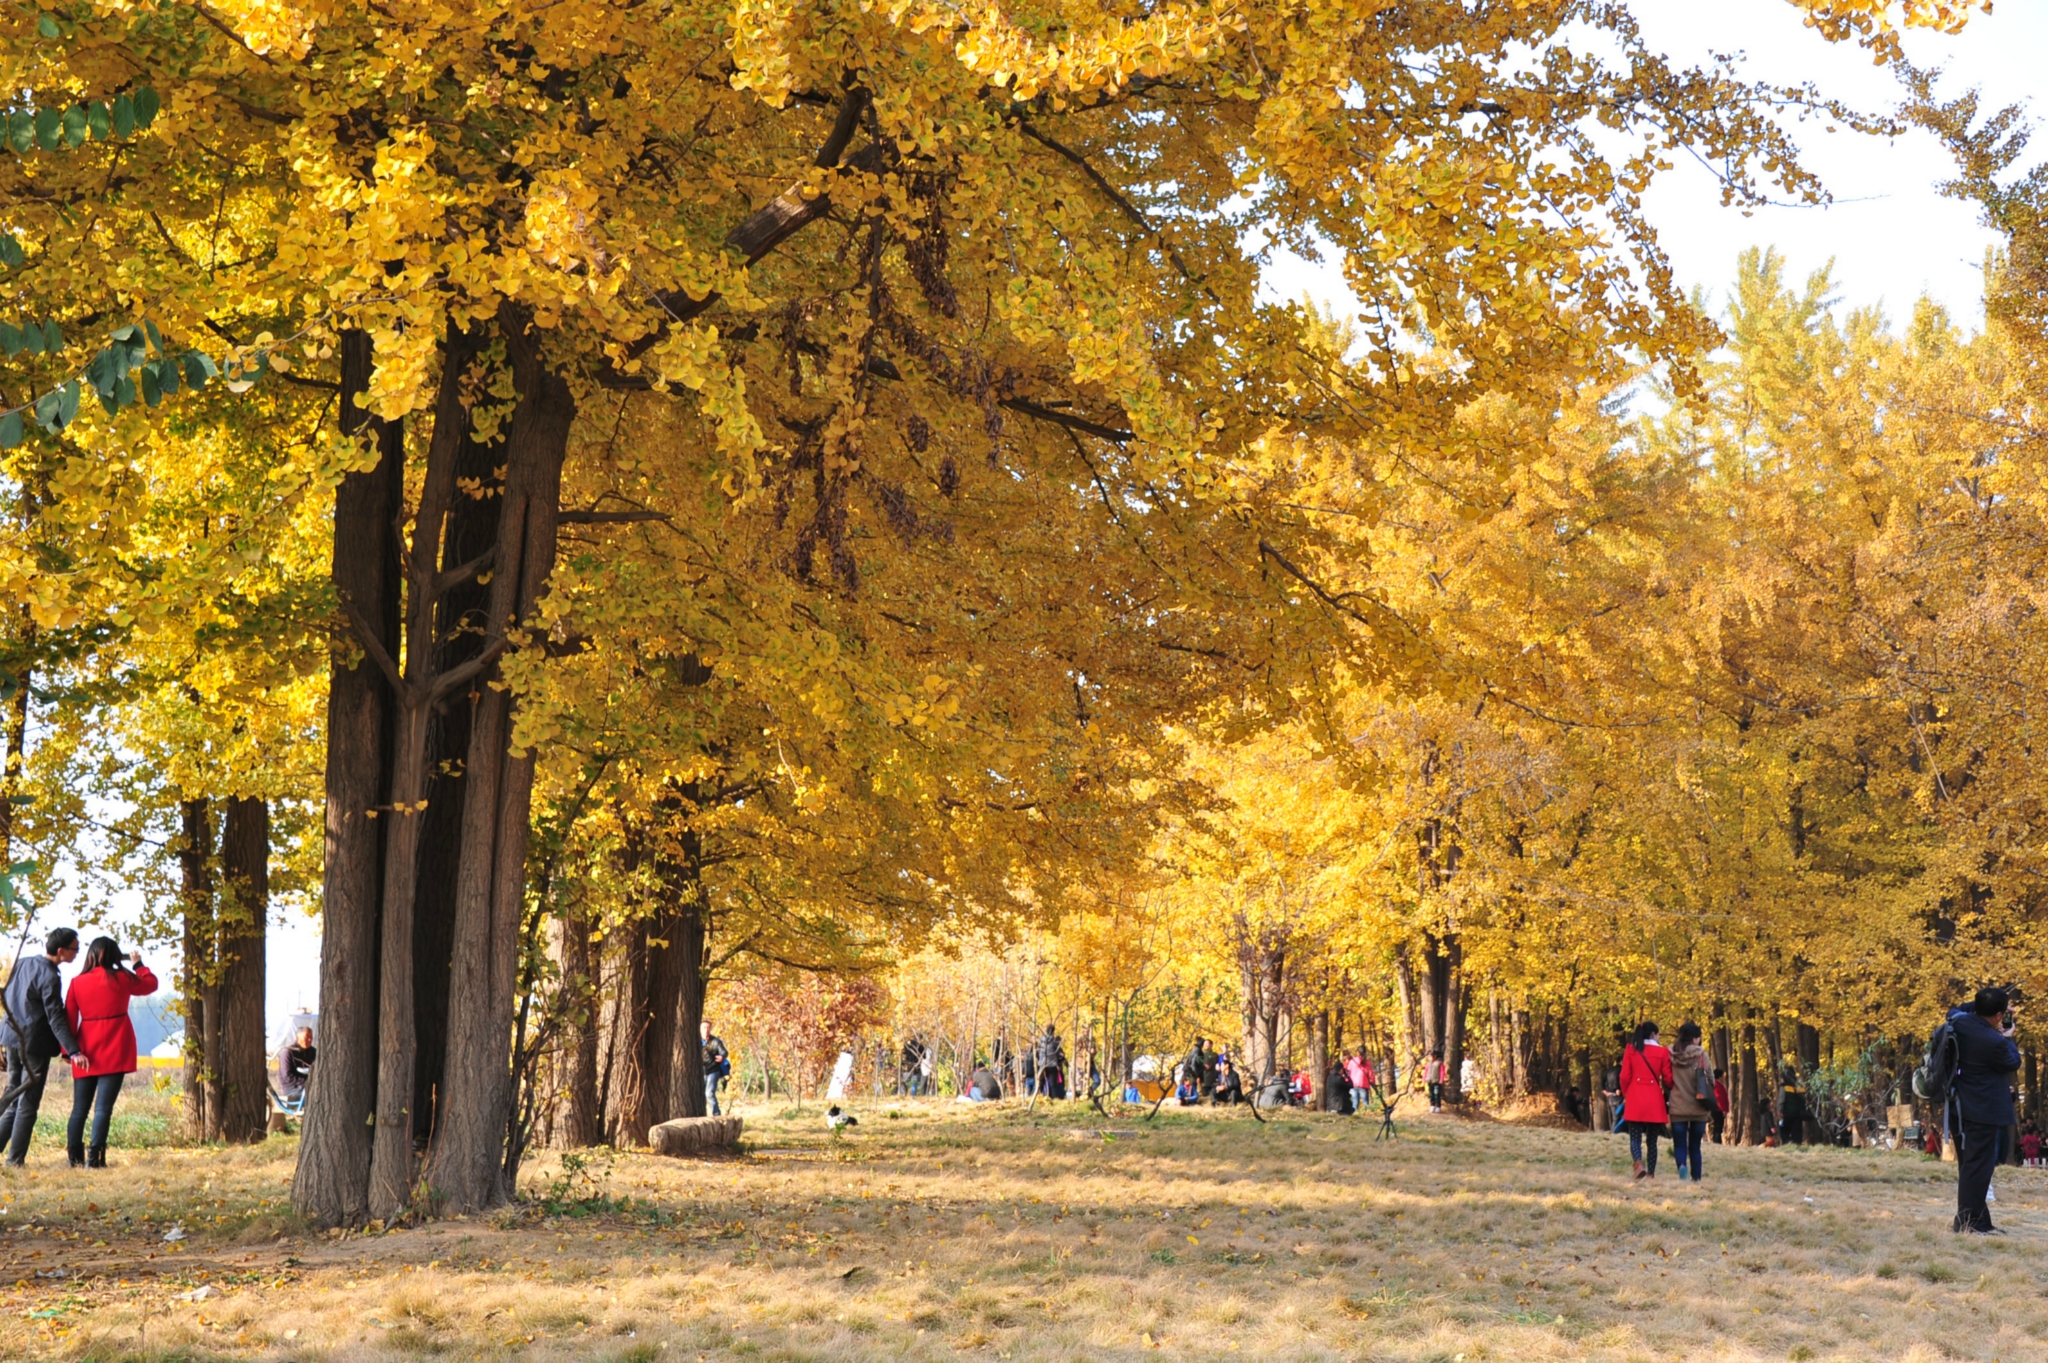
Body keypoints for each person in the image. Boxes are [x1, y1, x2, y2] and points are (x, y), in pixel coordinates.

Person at [63, 937, 158, 1169]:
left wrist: (69, 1052)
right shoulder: (123, 978)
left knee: (79, 1109)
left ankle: (75, 1159)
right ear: (115, 955)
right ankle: (95, 1160)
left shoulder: (77, 982)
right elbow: (150, 984)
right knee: (103, 1108)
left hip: (85, 1050)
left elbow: (68, 1019)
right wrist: (138, 964)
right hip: (116, 1047)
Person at [3, 928, 87, 1168]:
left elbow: (9, 999)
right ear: (61, 951)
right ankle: (14, 1162)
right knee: (27, 1103)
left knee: (12, 1098)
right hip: (33, 1044)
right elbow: (55, 1017)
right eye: (75, 949)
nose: (77, 953)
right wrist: (73, 1050)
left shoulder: (23, 963)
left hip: (12, 1038)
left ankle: (10, 1157)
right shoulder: (50, 976)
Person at [1948, 986, 2021, 1234]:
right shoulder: (1994, 1041)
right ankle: (1969, 1223)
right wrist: (2008, 1037)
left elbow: (1956, 1009)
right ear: (2000, 1016)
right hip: (1982, 1109)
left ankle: (1978, 1220)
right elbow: (2013, 1062)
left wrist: (1981, 1005)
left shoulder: (1959, 1022)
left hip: (1959, 1105)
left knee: (1972, 1165)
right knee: (1979, 1166)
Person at [1618, 1020, 1673, 1179]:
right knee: (1652, 1140)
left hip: (1635, 1096)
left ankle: (1638, 1164)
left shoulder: (1631, 1049)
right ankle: (1651, 1173)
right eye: (1658, 1034)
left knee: (1635, 1137)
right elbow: (1668, 1078)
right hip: (1654, 1098)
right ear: (1653, 1034)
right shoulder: (1663, 1052)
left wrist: (1627, 1092)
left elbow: (1624, 1076)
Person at [1666, 1022, 1713, 1183]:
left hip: (1678, 1107)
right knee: (1695, 1146)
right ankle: (1697, 1178)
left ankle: (1681, 1166)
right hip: (1699, 1108)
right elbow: (1711, 1080)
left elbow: (1666, 1080)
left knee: (1679, 1144)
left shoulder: (1671, 1055)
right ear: (1694, 1038)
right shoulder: (1702, 1056)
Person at [276, 1026, 317, 1109]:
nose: (309, 1040)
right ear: (297, 1038)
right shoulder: (288, 1052)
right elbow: (287, 1077)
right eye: (306, 1037)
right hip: (293, 1088)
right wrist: (307, 1082)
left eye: (311, 1037)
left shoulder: (313, 1052)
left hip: (311, 1085)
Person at [700, 1020, 730, 1116]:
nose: (706, 1030)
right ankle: (702, 1115)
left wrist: (722, 1057)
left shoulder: (716, 1041)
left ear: (711, 1029)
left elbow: (724, 1052)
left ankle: (716, 1115)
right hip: (700, 1072)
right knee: (700, 1095)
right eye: (704, 1027)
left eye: (708, 1028)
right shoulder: (696, 1041)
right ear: (700, 1029)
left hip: (713, 1070)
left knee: (709, 1093)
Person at [1344, 1048, 1375, 1116]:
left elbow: (1348, 1073)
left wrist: (1346, 1081)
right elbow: (1370, 1073)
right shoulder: (1367, 1062)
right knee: (1365, 1102)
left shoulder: (1352, 1061)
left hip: (1353, 1084)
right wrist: (1373, 1082)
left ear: (1357, 1052)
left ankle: (1353, 1116)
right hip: (1364, 1084)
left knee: (1355, 1102)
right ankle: (1367, 1115)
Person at [1424, 1048, 1448, 1114]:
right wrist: (1424, 1078)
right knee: (1431, 1094)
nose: (1429, 1058)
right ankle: (1432, 1105)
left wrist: (1441, 1079)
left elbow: (1442, 1072)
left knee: (1436, 1094)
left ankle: (1438, 1106)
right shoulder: (1428, 1064)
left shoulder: (1439, 1063)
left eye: (1430, 1056)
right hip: (1430, 1081)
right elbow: (1426, 1071)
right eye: (1428, 1056)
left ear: (1435, 1056)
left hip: (1436, 1081)